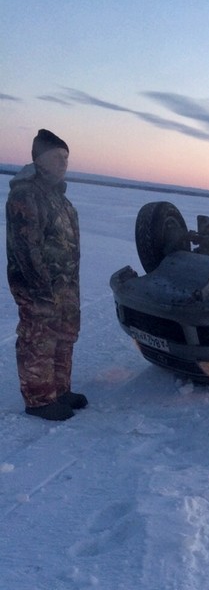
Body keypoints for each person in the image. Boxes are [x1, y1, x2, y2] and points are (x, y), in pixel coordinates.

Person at [5, 129, 87, 420]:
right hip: (38, 286)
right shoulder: (27, 194)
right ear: (39, 159)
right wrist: (40, 289)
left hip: (64, 287)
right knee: (38, 339)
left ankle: (60, 391)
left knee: (64, 336)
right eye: (57, 156)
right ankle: (39, 400)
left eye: (66, 157)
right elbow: (25, 247)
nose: (63, 162)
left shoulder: (61, 200)